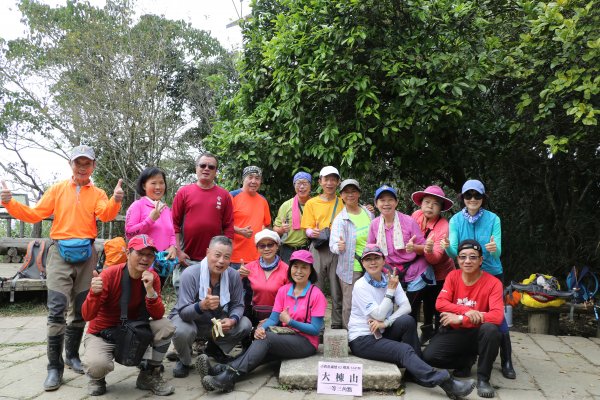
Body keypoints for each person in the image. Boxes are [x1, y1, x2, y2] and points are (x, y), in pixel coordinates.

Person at [0, 145, 123, 391]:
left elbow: (106, 215)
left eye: (86, 162)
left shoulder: (97, 193)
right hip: (59, 253)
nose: (82, 166)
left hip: (86, 255)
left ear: (93, 166)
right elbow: (35, 214)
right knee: (56, 310)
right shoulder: (56, 190)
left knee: (80, 310)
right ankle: (53, 367)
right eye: (78, 162)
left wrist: (115, 200)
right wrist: (10, 202)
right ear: (70, 164)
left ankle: (73, 357)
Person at [348, 244, 475, 398]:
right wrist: (390, 292)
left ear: (384, 260)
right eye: (368, 259)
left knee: (407, 321)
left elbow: (406, 307)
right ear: (363, 263)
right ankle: (445, 382)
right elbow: (378, 315)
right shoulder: (361, 285)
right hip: (363, 339)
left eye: (376, 258)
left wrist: (387, 323)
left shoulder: (390, 279)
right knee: (403, 350)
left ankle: (414, 372)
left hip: (381, 330)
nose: (372, 262)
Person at [199, 249, 327, 393]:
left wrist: (290, 322)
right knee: (259, 350)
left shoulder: (316, 295)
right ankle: (219, 370)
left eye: (304, 267)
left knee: (266, 340)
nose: (299, 271)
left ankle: (228, 376)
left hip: (306, 342)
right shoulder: (284, 290)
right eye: (295, 266)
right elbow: (273, 318)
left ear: (311, 271)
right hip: (286, 336)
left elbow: (315, 329)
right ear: (290, 268)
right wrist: (261, 328)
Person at [440, 179, 516, 380]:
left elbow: (497, 251)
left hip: (491, 272)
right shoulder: (456, 220)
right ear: (462, 198)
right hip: (467, 271)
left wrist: (494, 249)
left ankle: (507, 359)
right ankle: (468, 354)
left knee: (497, 315)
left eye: (477, 196)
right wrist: (447, 246)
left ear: (483, 198)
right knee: (468, 307)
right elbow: (454, 251)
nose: (472, 199)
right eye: (468, 195)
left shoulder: (493, 219)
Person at [81, 235, 175, 396]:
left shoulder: (152, 278)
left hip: (134, 330)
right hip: (103, 333)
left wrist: (150, 290)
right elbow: (87, 315)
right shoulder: (109, 276)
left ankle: (149, 374)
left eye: (150, 255)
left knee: (166, 326)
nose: (145, 259)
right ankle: (97, 379)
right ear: (127, 253)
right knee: (97, 365)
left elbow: (158, 315)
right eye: (140, 253)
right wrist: (93, 294)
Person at [423, 240, 504, 398]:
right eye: (463, 257)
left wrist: (461, 318)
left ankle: (483, 379)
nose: (467, 261)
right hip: (456, 332)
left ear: (481, 260)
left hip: (478, 333)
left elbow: (497, 316)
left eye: (473, 257)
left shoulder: (494, 283)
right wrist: (468, 311)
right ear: (457, 259)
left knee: (491, 330)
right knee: (429, 357)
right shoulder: (453, 276)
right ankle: (465, 361)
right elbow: (440, 303)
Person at [169, 236, 252, 378]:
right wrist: (202, 305)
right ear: (207, 252)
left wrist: (232, 320)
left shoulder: (232, 275)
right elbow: (183, 312)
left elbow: (238, 305)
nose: (221, 261)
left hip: (215, 322)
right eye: (217, 255)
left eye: (226, 257)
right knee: (181, 330)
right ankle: (184, 359)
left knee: (245, 324)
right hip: (190, 321)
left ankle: (214, 348)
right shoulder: (190, 274)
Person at [367, 185, 431, 323]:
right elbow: (370, 250)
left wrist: (414, 247)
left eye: (390, 199)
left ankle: (410, 338)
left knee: (410, 310)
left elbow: (424, 247)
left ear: (396, 202)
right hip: (388, 270)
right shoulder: (374, 224)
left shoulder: (408, 221)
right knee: (386, 306)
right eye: (382, 200)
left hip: (413, 268)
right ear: (376, 203)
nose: (386, 203)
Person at [171, 152, 234, 291]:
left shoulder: (224, 195)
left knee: (210, 301)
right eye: (203, 165)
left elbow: (228, 226)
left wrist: (227, 255)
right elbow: (174, 224)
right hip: (187, 258)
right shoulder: (183, 192)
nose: (206, 169)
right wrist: (178, 251)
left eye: (211, 167)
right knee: (184, 300)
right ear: (196, 168)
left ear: (216, 171)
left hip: (213, 261)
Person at [410, 185, 455, 343]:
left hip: (441, 273)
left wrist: (422, 249)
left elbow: (435, 258)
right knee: (422, 303)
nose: (430, 206)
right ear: (421, 204)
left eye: (435, 203)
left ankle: (439, 338)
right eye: (427, 202)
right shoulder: (415, 215)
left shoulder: (443, 226)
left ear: (441, 208)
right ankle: (425, 332)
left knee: (437, 304)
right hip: (420, 271)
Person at [301, 166, 344, 329]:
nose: (330, 183)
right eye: (326, 179)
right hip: (318, 248)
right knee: (316, 286)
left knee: (336, 287)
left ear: (338, 182)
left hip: (337, 248)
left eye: (333, 179)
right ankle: (317, 326)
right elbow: (306, 229)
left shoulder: (343, 201)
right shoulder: (312, 203)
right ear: (320, 181)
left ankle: (337, 324)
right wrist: (312, 231)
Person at [329, 179, 374, 328]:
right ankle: (350, 335)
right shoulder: (340, 220)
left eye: (353, 191)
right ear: (341, 195)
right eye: (346, 192)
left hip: (371, 264)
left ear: (359, 193)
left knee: (371, 299)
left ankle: (369, 331)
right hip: (350, 267)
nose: (350, 195)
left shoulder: (369, 214)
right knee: (349, 303)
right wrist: (339, 246)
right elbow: (333, 244)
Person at [125, 167, 176, 286]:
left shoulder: (166, 209)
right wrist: (150, 220)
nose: (158, 187)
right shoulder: (138, 205)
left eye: (161, 183)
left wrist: (173, 247)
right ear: (144, 186)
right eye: (153, 183)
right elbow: (129, 233)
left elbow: (172, 233)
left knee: (154, 299)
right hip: (142, 265)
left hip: (161, 265)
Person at [238, 229, 289, 325]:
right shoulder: (249, 267)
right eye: (262, 246)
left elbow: (290, 299)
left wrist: (274, 320)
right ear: (257, 248)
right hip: (252, 317)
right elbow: (229, 284)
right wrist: (237, 274)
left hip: (278, 317)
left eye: (270, 244)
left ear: (277, 246)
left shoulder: (286, 270)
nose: (266, 249)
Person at [229, 166, 272, 268]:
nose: (253, 181)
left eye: (257, 178)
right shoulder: (232, 196)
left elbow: (267, 225)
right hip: (235, 258)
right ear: (243, 179)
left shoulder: (263, 200)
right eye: (250, 177)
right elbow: (221, 224)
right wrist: (239, 230)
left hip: (258, 258)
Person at [273, 171, 312, 264]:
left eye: (305, 183)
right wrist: (282, 229)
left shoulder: (315, 204)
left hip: (308, 248)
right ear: (294, 186)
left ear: (310, 186)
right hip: (288, 250)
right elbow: (275, 228)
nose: (301, 187)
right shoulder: (286, 205)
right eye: (298, 183)